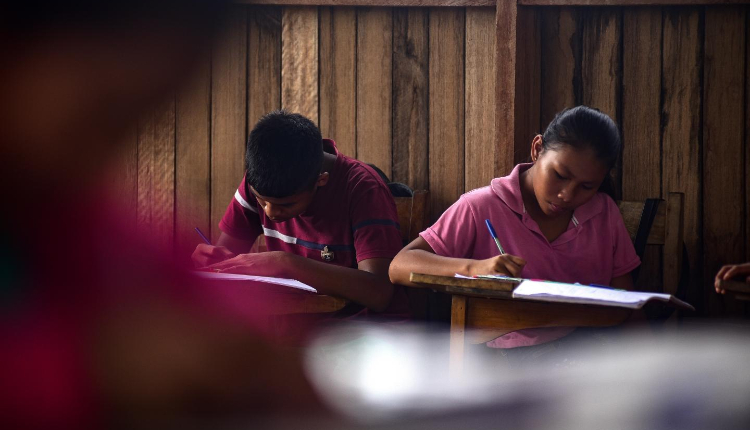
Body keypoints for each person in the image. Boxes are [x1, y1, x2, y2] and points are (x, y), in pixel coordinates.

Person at [0, 2, 325, 427]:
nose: (103, 155)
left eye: (137, 121)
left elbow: (172, 273)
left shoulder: (55, 203)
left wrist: (238, 343)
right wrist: (89, 369)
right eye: (104, 112)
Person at [389, 106, 640, 349]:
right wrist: (475, 268)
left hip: (586, 356)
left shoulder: (603, 213)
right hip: (500, 358)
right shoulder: (481, 206)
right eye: (560, 175)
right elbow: (400, 266)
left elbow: (627, 307)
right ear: (537, 149)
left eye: (587, 187)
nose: (567, 195)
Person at [192, 111, 407, 314]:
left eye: (286, 205)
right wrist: (213, 263)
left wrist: (285, 263)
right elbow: (227, 266)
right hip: (287, 327)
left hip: (356, 334)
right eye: (261, 201)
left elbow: (379, 292)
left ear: (321, 180)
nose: (270, 212)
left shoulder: (363, 188)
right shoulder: (259, 181)